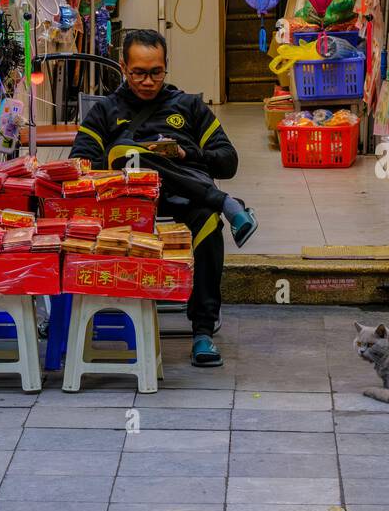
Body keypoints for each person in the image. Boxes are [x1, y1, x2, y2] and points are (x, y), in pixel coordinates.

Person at [69, 28, 257, 368]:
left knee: (207, 222)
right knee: (124, 153)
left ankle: (202, 331)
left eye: (156, 72)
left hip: (184, 197)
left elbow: (228, 161)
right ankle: (225, 203)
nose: (148, 81)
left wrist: (186, 154)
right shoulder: (105, 111)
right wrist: (129, 165)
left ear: (166, 66)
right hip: (128, 201)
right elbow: (80, 164)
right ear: (123, 68)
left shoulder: (189, 106)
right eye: (139, 73)